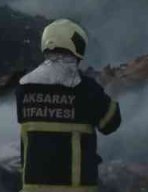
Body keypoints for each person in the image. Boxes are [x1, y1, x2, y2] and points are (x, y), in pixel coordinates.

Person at [15, 18, 122, 191]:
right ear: (76, 47)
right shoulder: (87, 89)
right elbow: (110, 124)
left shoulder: (23, 89)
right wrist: (112, 92)